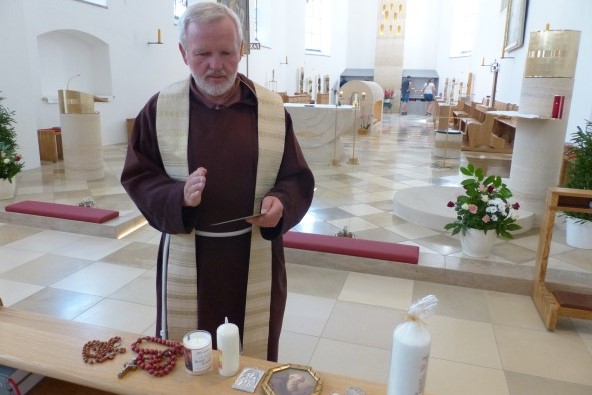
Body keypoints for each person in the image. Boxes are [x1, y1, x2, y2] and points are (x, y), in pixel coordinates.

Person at [120, 2, 314, 362]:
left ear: (241, 49)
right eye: (202, 53)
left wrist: (281, 203)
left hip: (254, 257)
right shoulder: (160, 109)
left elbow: (296, 177)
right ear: (183, 53)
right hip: (190, 260)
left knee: (252, 357)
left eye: (226, 52)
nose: (215, 64)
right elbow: (138, 175)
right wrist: (178, 195)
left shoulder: (270, 110)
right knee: (189, 361)